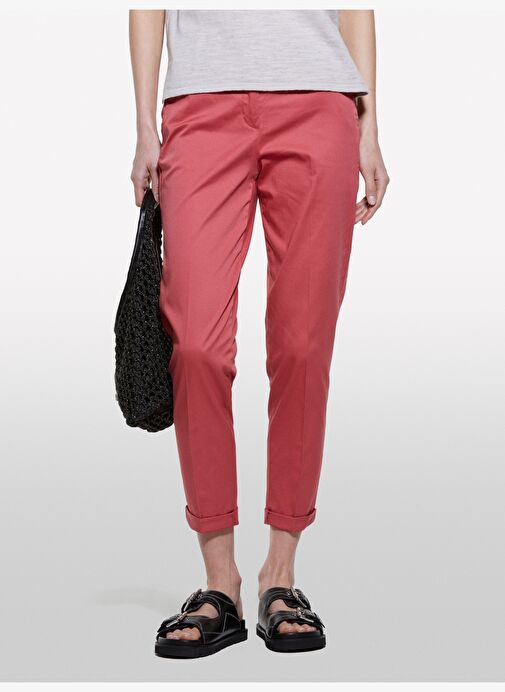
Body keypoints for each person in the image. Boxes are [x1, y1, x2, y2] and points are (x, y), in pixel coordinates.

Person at [129, 9, 389, 658]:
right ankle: (220, 583)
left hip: (319, 103)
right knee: (195, 345)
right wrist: (143, 126)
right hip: (199, 106)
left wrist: (369, 127)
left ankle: (280, 574)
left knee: (303, 346)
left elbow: (355, 7)